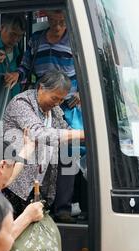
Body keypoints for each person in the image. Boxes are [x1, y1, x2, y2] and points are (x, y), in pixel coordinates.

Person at [15, 10, 86, 222]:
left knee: (68, 152)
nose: (56, 26)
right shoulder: (36, 40)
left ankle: (62, 207)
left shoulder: (76, 40)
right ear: (46, 18)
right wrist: (16, 75)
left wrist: (82, 92)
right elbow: (25, 66)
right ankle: (38, 203)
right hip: (42, 102)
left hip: (68, 103)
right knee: (40, 149)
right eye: (53, 21)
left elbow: (87, 70)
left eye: (61, 22)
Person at [2, 70, 84, 219]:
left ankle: (62, 210)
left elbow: (65, 130)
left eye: (61, 100)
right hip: (15, 180)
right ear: (41, 88)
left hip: (37, 180)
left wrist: (86, 135)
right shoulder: (21, 104)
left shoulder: (54, 110)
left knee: (69, 154)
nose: (57, 103)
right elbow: (39, 134)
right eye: (54, 98)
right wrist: (79, 134)